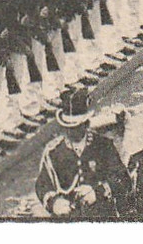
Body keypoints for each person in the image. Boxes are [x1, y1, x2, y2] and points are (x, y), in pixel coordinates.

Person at [35, 88, 130, 219]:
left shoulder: (103, 145)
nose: (70, 132)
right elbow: (43, 185)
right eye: (67, 127)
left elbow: (123, 179)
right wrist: (54, 203)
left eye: (75, 127)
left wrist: (98, 193)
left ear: (85, 124)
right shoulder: (53, 152)